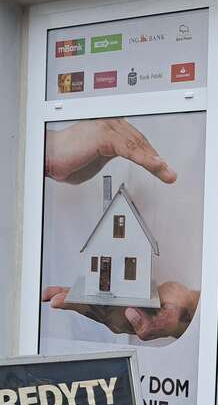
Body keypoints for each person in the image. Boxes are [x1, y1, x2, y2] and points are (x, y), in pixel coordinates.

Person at [40, 118, 199, 341]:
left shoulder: (203, 126)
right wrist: (46, 151)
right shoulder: (54, 116)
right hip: (57, 334)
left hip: (169, 353)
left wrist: (190, 308)